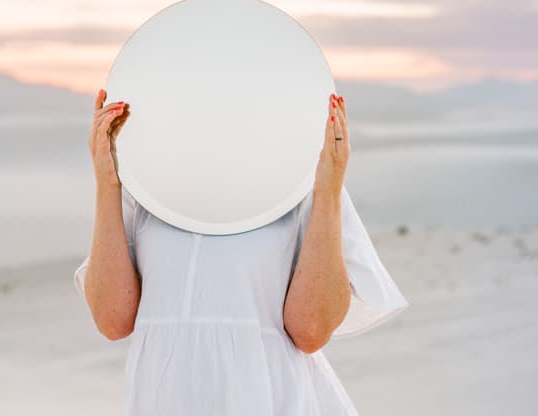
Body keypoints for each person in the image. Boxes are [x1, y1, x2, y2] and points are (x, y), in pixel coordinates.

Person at [74, 89, 409, 415]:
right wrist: (108, 184)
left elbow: (310, 330)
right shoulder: (148, 186)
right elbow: (112, 319)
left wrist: (328, 189)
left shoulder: (300, 183)